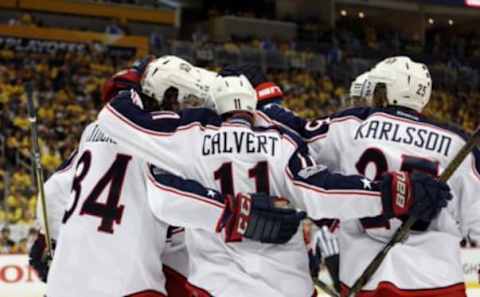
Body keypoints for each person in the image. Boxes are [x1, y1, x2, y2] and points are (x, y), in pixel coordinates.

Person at [97, 72, 451, 297]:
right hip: (288, 286)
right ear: (253, 107)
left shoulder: (191, 138)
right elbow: (323, 193)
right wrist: (390, 194)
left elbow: (162, 192)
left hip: (218, 287)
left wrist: (129, 88)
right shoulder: (283, 144)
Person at [30, 56, 302, 297]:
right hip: (129, 286)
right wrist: (243, 219)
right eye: (189, 101)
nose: (191, 109)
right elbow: (175, 205)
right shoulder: (165, 142)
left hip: (64, 284)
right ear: (169, 97)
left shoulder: (93, 132)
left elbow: (52, 196)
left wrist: (47, 240)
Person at [244, 57, 480, 297]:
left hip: (366, 281)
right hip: (439, 285)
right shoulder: (457, 144)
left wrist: (262, 99)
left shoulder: (353, 124)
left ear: (385, 92)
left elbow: (296, 135)